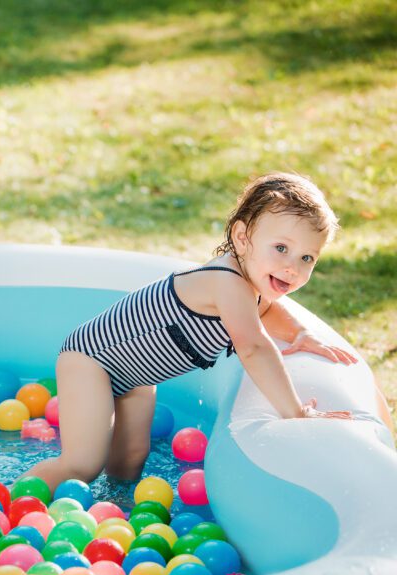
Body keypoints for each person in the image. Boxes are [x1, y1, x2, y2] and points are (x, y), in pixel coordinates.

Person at [24, 172, 359, 494]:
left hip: (134, 376)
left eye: (307, 258)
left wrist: (301, 333)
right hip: (92, 360)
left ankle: (114, 512)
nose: (293, 267)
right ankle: (10, 499)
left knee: (129, 460)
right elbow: (254, 347)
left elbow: (268, 310)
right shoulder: (225, 280)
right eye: (282, 249)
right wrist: (296, 413)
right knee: (82, 464)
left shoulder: (249, 287)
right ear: (242, 238)